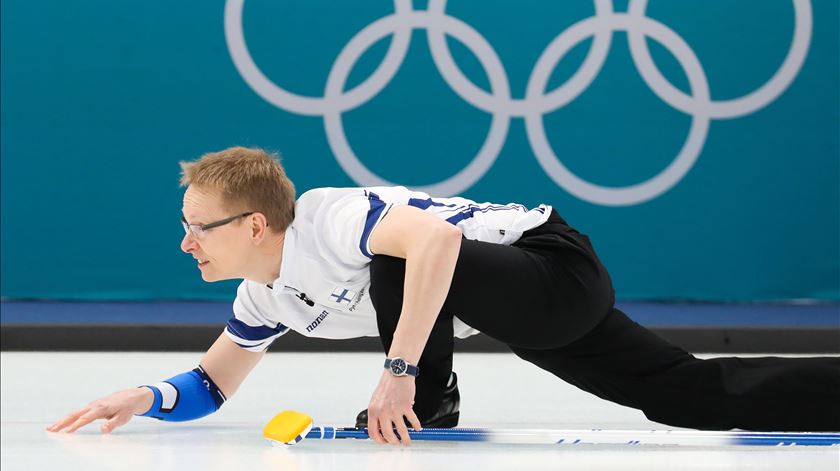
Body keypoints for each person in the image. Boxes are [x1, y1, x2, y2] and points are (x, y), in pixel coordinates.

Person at [48, 147, 840, 445]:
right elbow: (212, 383)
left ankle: (435, 395)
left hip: (550, 266)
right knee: (686, 394)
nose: (186, 244)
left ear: (256, 223)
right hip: (516, 305)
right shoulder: (265, 294)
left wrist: (402, 373)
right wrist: (145, 395)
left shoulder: (330, 215)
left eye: (198, 228)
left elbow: (434, 243)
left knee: (403, 252)